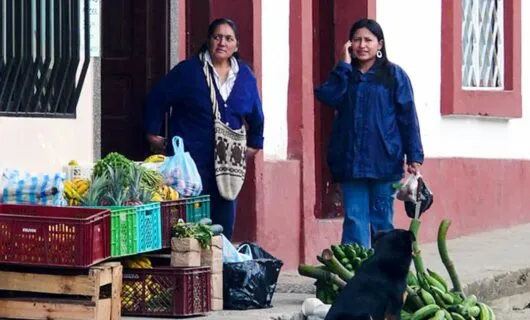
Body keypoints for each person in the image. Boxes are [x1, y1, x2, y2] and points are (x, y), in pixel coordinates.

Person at [143, 18, 264, 240]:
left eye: (229, 39)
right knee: (189, 221)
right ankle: (192, 269)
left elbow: (256, 113)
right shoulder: (189, 71)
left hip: (228, 163)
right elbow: (158, 98)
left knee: (224, 221)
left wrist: (255, 144)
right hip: (191, 161)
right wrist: (153, 134)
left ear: (236, 45)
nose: (222, 43)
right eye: (217, 37)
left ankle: (219, 268)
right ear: (208, 41)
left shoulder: (244, 75)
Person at [314, 18, 424, 248]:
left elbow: (407, 118)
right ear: (349, 44)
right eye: (356, 40)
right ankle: (356, 277)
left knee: (382, 221)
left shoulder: (394, 76)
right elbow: (328, 96)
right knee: (354, 220)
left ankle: (382, 274)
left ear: (380, 44)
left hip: (384, 161)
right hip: (350, 161)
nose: (362, 45)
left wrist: (414, 156)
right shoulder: (345, 74)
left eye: (368, 40)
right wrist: (343, 66)